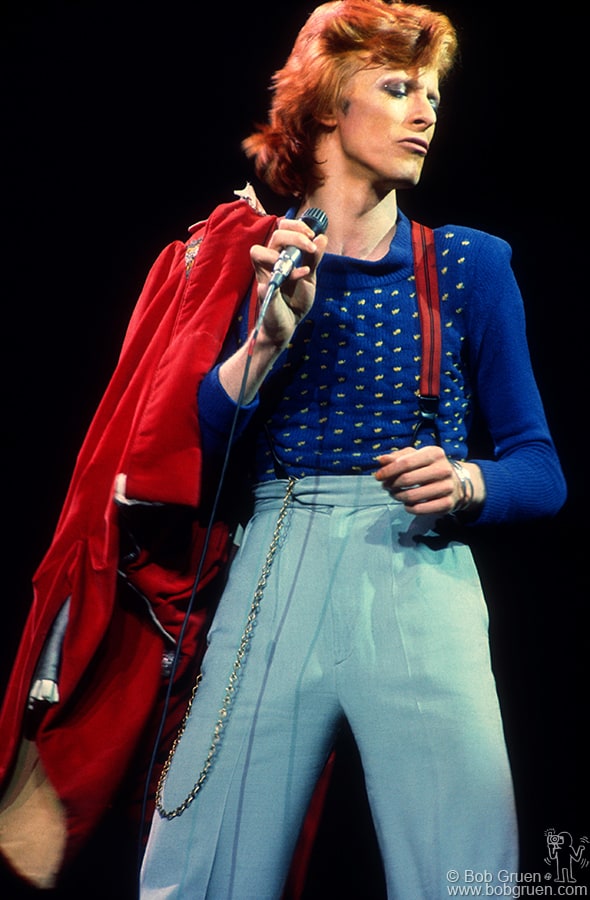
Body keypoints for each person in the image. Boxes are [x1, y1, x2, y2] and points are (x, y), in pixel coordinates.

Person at [135, 0, 567, 898]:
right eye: (400, 88)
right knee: (199, 868)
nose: (426, 112)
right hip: (274, 566)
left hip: (417, 572)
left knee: (464, 874)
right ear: (331, 103)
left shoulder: (469, 264)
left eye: (434, 95)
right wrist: (266, 339)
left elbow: (541, 467)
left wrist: (468, 481)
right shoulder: (251, 259)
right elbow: (197, 457)